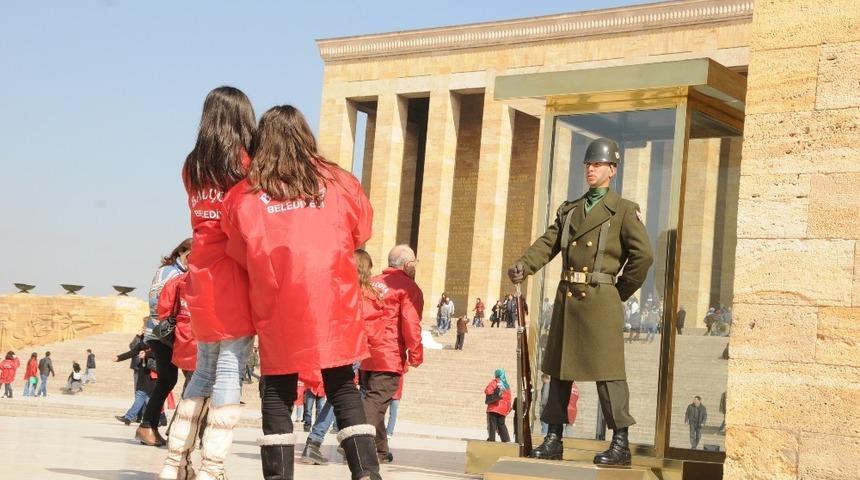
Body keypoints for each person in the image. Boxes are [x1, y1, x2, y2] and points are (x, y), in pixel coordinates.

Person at [221, 104, 380, 480]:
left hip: (278, 299)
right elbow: (362, 230)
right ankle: (367, 474)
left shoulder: (244, 195)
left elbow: (238, 250)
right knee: (341, 382)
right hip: (333, 297)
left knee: (278, 384)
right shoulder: (339, 182)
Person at [508, 137, 653, 467]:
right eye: (588, 164)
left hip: (601, 298)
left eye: (598, 165)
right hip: (568, 298)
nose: (591, 169)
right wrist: (524, 265)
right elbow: (547, 244)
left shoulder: (624, 210)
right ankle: (554, 437)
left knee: (609, 372)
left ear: (612, 170)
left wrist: (618, 292)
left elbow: (643, 256)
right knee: (558, 369)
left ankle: (620, 442)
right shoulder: (570, 209)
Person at [158, 86, 257, 480]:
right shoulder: (245, 165)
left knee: (203, 371)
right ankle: (212, 467)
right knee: (231, 368)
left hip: (199, 272)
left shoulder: (192, 166)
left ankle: (174, 463)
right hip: (232, 271)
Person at [359, 245, 424, 464]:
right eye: (414, 263)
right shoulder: (407, 287)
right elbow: (411, 323)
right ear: (407, 265)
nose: (415, 267)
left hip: (366, 354)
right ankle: (354, 442)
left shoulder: (372, 282)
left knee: (375, 403)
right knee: (375, 403)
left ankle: (381, 451)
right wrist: (416, 354)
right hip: (389, 355)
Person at [138, 238, 191, 449]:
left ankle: (150, 426)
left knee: (169, 380)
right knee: (176, 379)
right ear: (181, 252)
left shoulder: (180, 272)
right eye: (190, 256)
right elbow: (156, 303)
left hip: (173, 334)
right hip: (163, 334)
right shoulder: (169, 272)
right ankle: (149, 426)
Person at [114, 345, 157, 425]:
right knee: (141, 396)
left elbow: (159, 352)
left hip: (152, 375)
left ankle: (159, 417)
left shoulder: (157, 341)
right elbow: (132, 352)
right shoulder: (142, 343)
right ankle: (129, 417)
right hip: (143, 374)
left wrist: (146, 354)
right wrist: (119, 357)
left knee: (147, 398)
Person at [484, 369, 512, 442]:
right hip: (503, 410)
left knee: (492, 425)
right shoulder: (507, 386)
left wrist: (494, 394)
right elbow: (509, 400)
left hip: (493, 408)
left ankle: (491, 440)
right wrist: (507, 410)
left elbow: (487, 391)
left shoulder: (495, 382)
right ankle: (506, 440)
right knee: (501, 425)